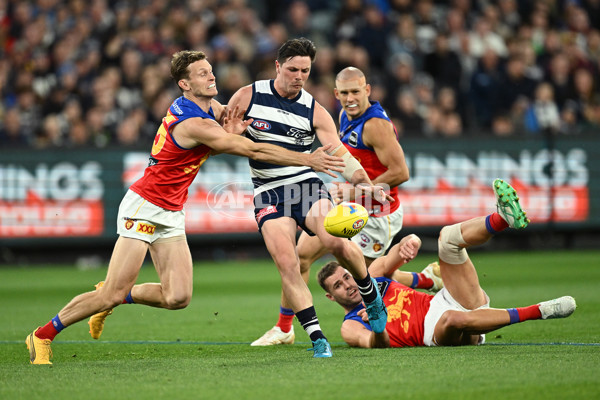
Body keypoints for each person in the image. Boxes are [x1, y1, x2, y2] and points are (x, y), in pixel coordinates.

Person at [25, 50, 348, 365]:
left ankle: (116, 293)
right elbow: (248, 147)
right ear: (184, 84)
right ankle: (43, 334)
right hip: (145, 206)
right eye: (202, 73)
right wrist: (307, 159)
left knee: (177, 297)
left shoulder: (210, 108)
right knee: (111, 292)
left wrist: (232, 131)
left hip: (170, 210)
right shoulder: (193, 121)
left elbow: (229, 136)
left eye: (210, 70)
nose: (211, 76)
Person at [251, 66, 442, 346]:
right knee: (301, 255)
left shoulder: (375, 125)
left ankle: (422, 282)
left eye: (356, 92)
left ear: (367, 90)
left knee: (366, 277)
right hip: (351, 207)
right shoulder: (343, 114)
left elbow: (401, 172)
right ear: (336, 94)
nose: (350, 98)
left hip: (378, 215)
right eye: (344, 93)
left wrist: (352, 191)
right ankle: (284, 328)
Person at [226, 38, 392, 357]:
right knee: (288, 264)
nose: (299, 76)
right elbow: (220, 140)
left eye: (305, 70)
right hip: (268, 191)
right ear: (277, 66)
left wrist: (365, 183)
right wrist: (229, 136)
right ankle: (317, 338)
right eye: (292, 69)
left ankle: (370, 297)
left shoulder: (313, 109)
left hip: (305, 185)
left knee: (335, 241)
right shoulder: (248, 96)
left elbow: (340, 153)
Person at [318, 179, 576, 348]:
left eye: (346, 277)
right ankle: (540, 311)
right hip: (433, 331)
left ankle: (501, 219)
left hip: (444, 300)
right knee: (453, 318)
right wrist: (378, 322)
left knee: (447, 238)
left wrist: (411, 240)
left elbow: (394, 254)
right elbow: (376, 345)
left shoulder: (371, 277)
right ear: (331, 297)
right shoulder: (349, 326)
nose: (347, 285)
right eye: (338, 286)